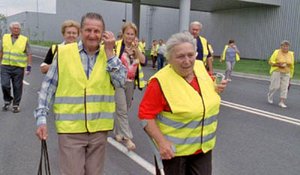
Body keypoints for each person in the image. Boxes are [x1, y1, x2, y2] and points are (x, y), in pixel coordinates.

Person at [34, 12, 126, 175]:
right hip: (70, 130)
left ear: (103, 33)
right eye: (88, 30)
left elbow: (120, 82)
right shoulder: (63, 53)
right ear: (81, 31)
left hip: (99, 130)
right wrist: (41, 119)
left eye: (97, 31)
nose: (92, 35)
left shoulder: (110, 56)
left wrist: (111, 53)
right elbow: (48, 87)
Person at [138, 32, 227, 175]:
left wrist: (216, 87)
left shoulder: (199, 67)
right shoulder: (160, 82)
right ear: (169, 59)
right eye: (180, 56)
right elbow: (145, 115)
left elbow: (203, 88)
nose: (187, 61)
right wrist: (162, 143)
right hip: (173, 153)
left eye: (190, 55)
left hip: (202, 149)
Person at [114, 22, 146, 150]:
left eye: (132, 34)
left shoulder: (137, 47)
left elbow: (143, 61)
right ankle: (128, 139)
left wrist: (136, 49)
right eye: (127, 33)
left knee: (125, 108)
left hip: (131, 82)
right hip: (118, 82)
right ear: (123, 34)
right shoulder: (117, 46)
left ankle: (118, 132)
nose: (129, 36)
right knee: (122, 109)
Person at [0, 21, 32, 113]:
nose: (17, 30)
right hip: (5, 66)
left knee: (17, 87)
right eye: (15, 28)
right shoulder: (5, 37)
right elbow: (1, 51)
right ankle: (8, 100)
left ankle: (16, 105)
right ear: (10, 29)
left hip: (18, 68)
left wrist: (29, 67)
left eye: (18, 28)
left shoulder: (24, 39)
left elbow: (29, 53)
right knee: (4, 84)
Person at [267, 40, 294, 108]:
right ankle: (270, 95)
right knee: (275, 86)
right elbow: (270, 62)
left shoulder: (291, 54)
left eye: (287, 46)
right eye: (284, 46)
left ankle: (282, 102)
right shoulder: (277, 52)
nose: (285, 47)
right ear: (281, 46)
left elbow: (292, 66)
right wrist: (278, 64)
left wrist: (291, 76)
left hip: (286, 72)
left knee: (284, 88)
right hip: (277, 71)